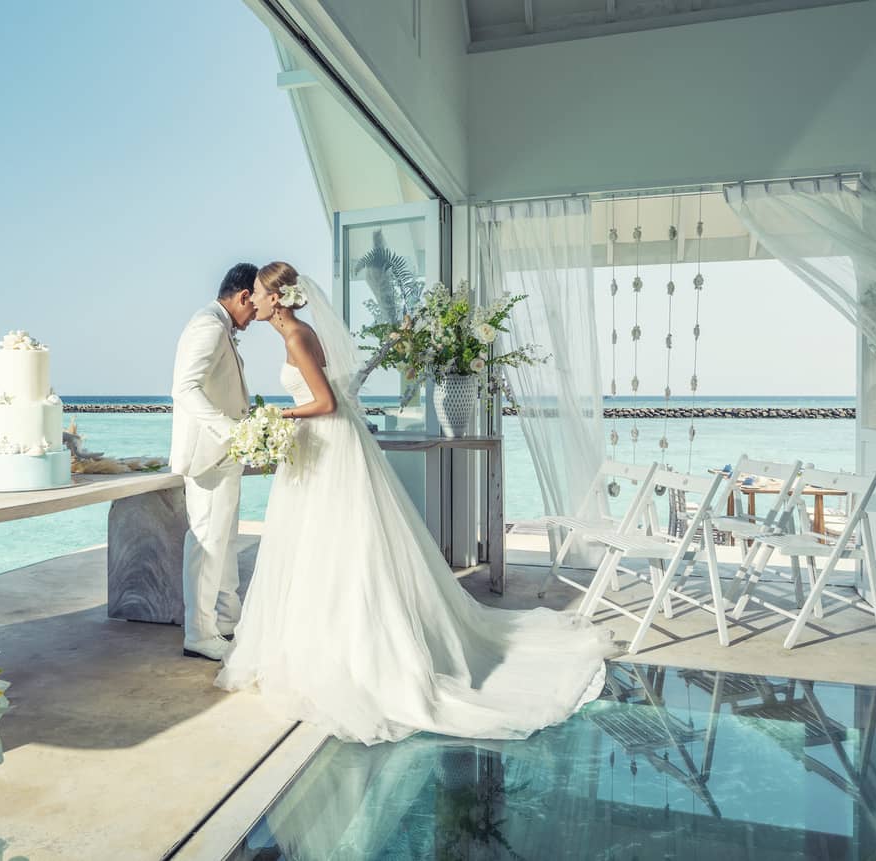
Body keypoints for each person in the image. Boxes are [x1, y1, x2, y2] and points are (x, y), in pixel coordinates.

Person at [216, 261, 611, 744]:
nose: (251, 299)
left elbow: (326, 403)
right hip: (320, 449)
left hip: (327, 446)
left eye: (256, 292)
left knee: (340, 549)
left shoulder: (297, 336)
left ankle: (356, 657)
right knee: (321, 551)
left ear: (276, 298)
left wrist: (279, 414)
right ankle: (318, 645)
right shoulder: (295, 334)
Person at [169, 262, 257, 661]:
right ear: (242, 296)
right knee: (205, 543)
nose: (255, 315)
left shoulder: (220, 326)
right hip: (209, 456)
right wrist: (229, 431)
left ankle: (224, 622)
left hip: (226, 456)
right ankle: (199, 633)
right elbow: (184, 388)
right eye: (254, 306)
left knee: (224, 541)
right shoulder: (208, 325)